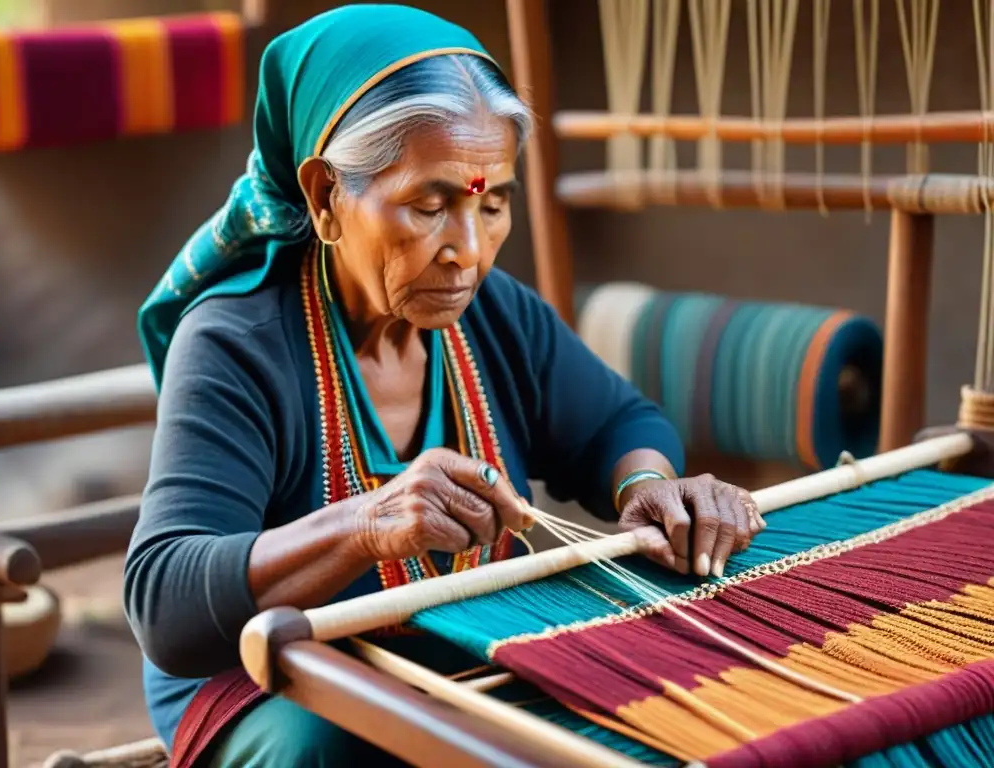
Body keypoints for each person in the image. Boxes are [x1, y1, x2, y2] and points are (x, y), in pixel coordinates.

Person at [124, 5, 766, 766]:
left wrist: (649, 486)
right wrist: (368, 525)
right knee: (335, 746)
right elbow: (166, 603)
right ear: (327, 197)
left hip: (457, 649)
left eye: (492, 205)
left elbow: (615, 424)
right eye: (431, 206)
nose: (468, 251)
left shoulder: (492, 313)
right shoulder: (239, 343)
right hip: (268, 677)